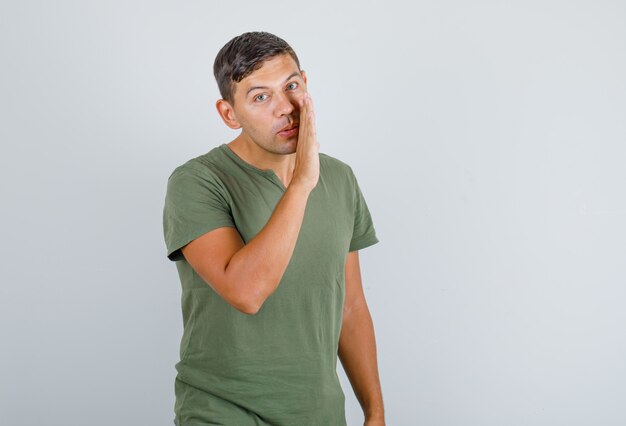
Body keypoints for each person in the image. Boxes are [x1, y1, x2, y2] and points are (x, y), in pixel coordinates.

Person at [163, 31, 385, 426]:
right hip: (222, 411)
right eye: (260, 96)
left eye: (292, 86)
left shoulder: (340, 179)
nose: (286, 107)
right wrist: (301, 183)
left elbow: (350, 307)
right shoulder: (197, 181)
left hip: (318, 413)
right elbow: (246, 292)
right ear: (229, 113)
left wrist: (375, 413)